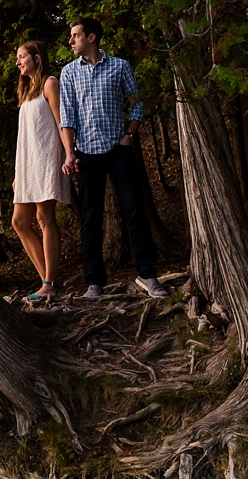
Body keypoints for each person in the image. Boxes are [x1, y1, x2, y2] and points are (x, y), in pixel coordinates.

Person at [58, 18, 169, 299]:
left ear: (91, 37)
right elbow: (67, 115)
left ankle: (147, 275)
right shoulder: (69, 73)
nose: (71, 41)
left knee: (134, 211)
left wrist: (129, 136)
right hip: (86, 153)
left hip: (118, 150)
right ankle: (94, 282)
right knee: (91, 219)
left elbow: (137, 104)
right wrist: (70, 153)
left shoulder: (120, 66)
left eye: (75, 36)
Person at [9, 40, 73, 303]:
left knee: (44, 217)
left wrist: (70, 153)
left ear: (37, 57)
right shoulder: (26, 91)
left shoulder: (50, 83)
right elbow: (25, 136)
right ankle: (47, 281)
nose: (18, 62)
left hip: (47, 159)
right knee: (20, 222)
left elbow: (62, 122)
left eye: (22, 57)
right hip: (27, 163)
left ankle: (50, 284)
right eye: (18, 58)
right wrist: (18, 173)